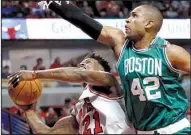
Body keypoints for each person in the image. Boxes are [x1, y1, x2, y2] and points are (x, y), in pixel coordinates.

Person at [37, 1, 191, 134]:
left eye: (134, 16)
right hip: (141, 130)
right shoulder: (121, 44)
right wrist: (55, 4)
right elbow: (84, 21)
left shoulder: (170, 52)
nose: (127, 20)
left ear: (148, 23)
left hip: (173, 128)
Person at [8, 53, 134, 134]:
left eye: (88, 63)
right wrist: (29, 112)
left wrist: (35, 74)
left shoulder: (110, 83)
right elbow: (48, 133)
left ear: (102, 70)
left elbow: (81, 74)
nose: (82, 65)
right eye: (81, 64)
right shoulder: (79, 110)